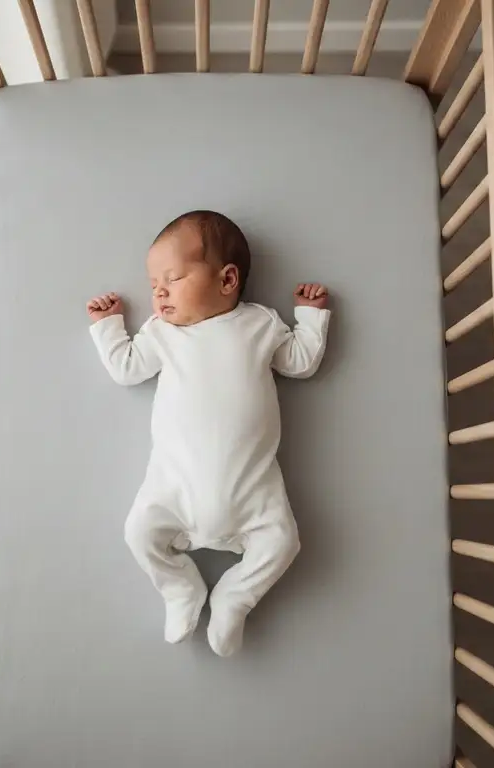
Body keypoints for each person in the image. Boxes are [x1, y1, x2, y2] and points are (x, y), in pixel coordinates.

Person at [87, 210, 330, 656]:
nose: (158, 291)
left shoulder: (260, 323)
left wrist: (311, 318)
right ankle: (180, 589)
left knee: (283, 542)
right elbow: (126, 368)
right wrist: (108, 327)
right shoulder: (162, 333)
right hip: (174, 486)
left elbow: (299, 362)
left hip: (253, 488)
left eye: (173, 278)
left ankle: (235, 596)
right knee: (138, 532)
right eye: (154, 282)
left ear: (227, 279)